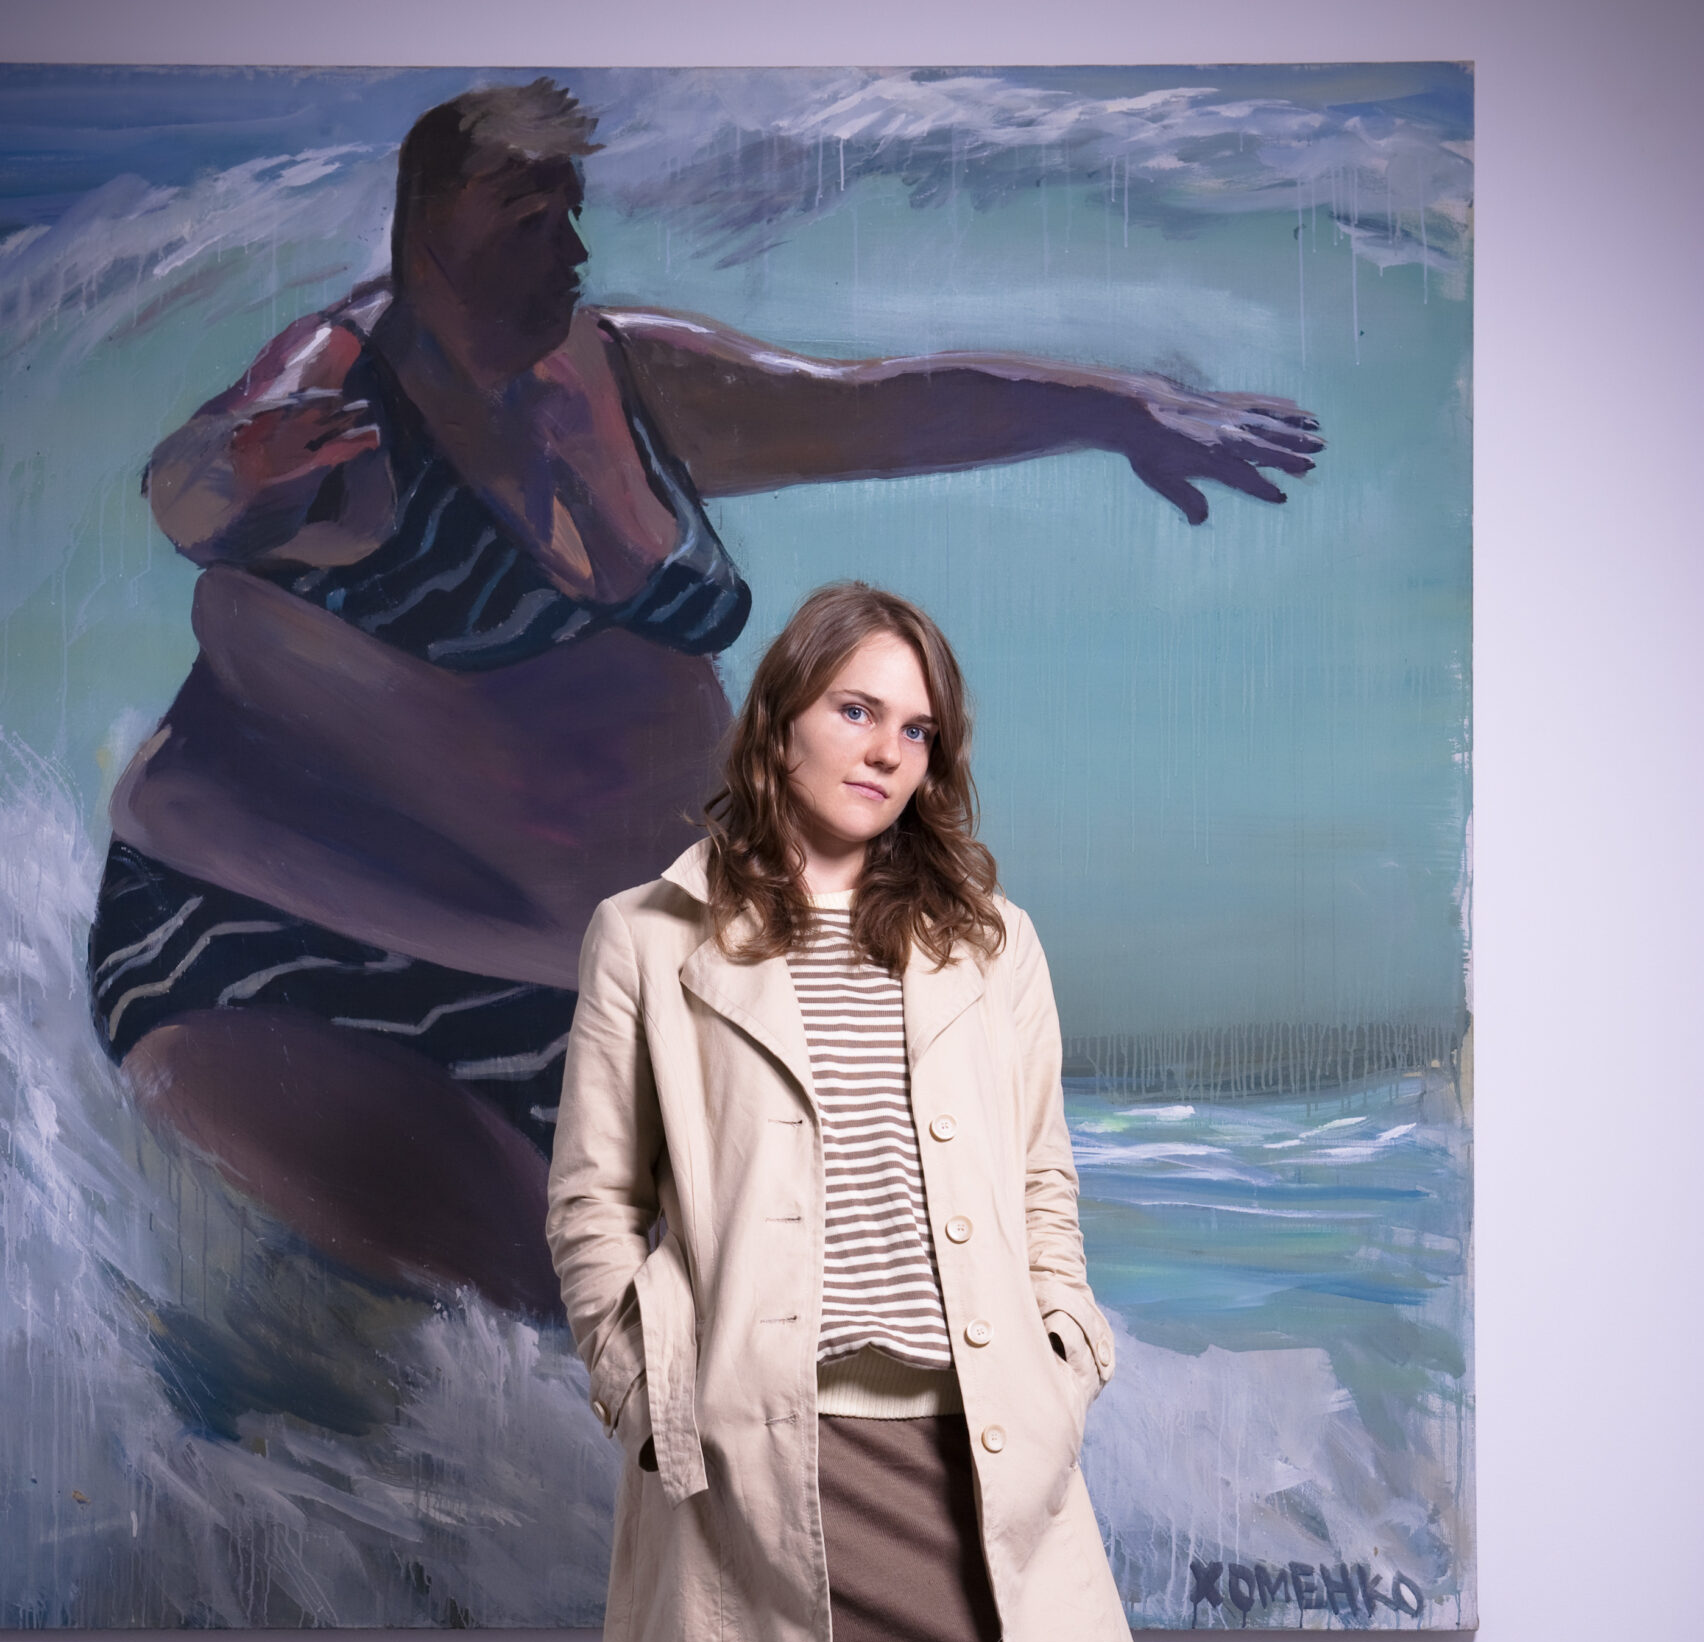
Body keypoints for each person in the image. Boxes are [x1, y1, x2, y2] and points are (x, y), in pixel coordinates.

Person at [92, 80, 1320, 1320]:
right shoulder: (347, 390)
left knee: (814, 1314)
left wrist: (1114, 412)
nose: (570, 251)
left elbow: (872, 408)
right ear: (426, 230)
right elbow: (197, 489)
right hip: (287, 960)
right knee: (583, 1327)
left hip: (579, 999)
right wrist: (232, 475)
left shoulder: (624, 377)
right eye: (527, 220)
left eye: (572, 212)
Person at [547, 581, 1215, 1642]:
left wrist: (1065, 1350)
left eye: (917, 728)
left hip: (968, 1442)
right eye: (857, 710)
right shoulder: (648, 936)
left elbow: (1046, 1179)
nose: (889, 750)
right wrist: (646, 1393)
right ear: (779, 719)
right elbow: (594, 1201)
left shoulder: (993, 938)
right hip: (757, 1440)